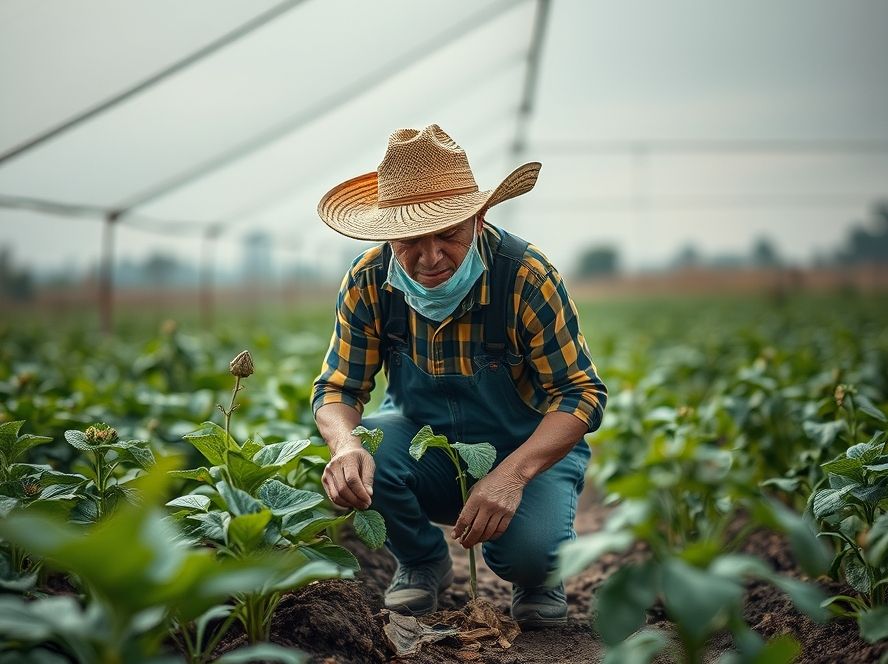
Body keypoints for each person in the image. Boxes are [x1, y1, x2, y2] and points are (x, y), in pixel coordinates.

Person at [312, 124, 607, 628]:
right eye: (410, 240)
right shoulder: (368, 281)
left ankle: (538, 579)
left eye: (449, 233)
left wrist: (512, 475)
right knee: (367, 451)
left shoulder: (525, 276)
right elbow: (338, 388)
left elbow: (581, 394)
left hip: (523, 447)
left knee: (534, 554)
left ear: (478, 217)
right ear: (387, 234)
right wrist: (344, 445)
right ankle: (422, 560)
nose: (430, 257)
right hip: (423, 445)